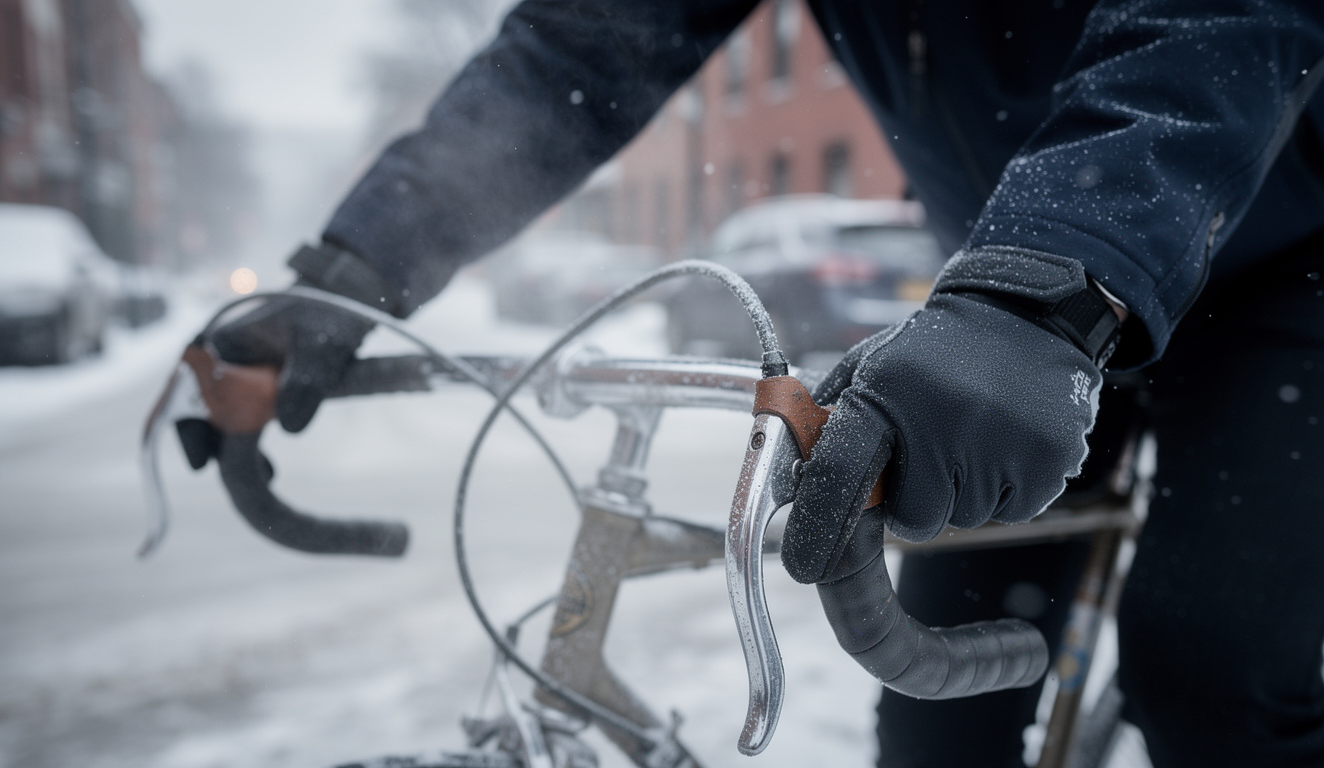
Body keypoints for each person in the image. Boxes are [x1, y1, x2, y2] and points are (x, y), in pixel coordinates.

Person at [188, 2, 1324, 766]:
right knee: (935, 709)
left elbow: (1221, 26)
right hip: (1013, 284)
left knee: (1212, 666)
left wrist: (1043, 290)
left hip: (1276, 268)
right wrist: (360, 265)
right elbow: (575, 54)